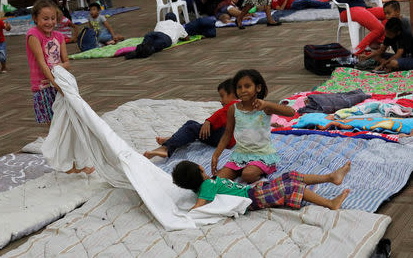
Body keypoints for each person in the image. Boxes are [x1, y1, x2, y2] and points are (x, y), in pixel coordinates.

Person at [26, 0, 93, 175]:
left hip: (59, 86)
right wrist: (54, 82)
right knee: (56, 128)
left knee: (70, 123)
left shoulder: (59, 36)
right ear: (35, 18)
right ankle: (66, 164)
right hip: (43, 88)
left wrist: (59, 79)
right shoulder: (33, 35)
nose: (50, 22)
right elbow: (41, 63)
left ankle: (76, 162)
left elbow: (67, 63)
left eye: (53, 18)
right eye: (45, 19)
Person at [211, 69, 296, 184]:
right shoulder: (233, 109)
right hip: (240, 155)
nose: (243, 90)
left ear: (258, 88)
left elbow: (291, 112)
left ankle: (261, 177)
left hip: (262, 155)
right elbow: (227, 134)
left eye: (247, 86)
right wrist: (216, 155)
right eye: (239, 87)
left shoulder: (264, 107)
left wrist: (267, 104)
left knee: (247, 175)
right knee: (216, 180)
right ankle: (240, 170)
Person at [172, 160, 351, 211]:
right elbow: (199, 206)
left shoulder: (207, 184)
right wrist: (186, 213)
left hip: (254, 191)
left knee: (290, 176)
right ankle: (329, 203)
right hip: (252, 198)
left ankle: (330, 177)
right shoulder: (206, 187)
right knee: (290, 186)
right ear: (200, 169)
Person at [144, 79, 239, 159]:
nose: (220, 100)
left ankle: (167, 148)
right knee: (191, 123)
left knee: (191, 129)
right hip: (225, 136)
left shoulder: (234, 104)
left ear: (233, 94)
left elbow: (219, 114)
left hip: (224, 138)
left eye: (222, 96)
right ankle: (173, 139)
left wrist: (208, 121)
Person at [125, 12, 189, 59]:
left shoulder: (160, 23)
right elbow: (187, 38)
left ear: (165, 19)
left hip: (153, 34)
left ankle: (138, 50)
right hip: (166, 38)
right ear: (175, 20)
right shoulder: (178, 24)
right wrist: (180, 38)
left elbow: (155, 32)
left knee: (145, 44)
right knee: (152, 48)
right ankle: (139, 53)